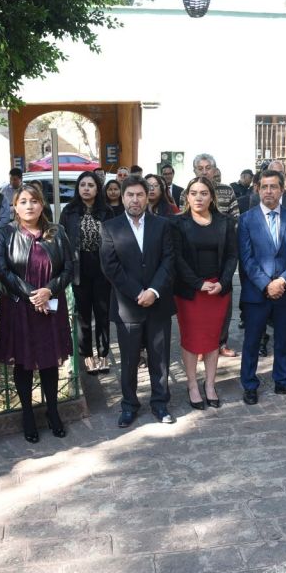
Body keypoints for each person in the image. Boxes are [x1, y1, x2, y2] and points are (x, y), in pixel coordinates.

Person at [0, 183, 75, 441]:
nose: (29, 206)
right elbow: (2, 271)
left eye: (34, 201)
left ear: (42, 205)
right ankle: (27, 415)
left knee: (50, 362)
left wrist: (49, 290)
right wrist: (32, 294)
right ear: (15, 207)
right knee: (23, 363)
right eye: (23, 201)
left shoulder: (57, 232)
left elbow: (69, 268)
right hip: (19, 307)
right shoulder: (5, 233)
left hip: (49, 306)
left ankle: (53, 411)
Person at [100, 175, 177, 427]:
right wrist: (137, 293)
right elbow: (110, 266)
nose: (135, 199)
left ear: (147, 197)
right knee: (129, 360)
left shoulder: (162, 225)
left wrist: (153, 290)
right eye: (130, 195)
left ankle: (160, 403)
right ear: (122, 198)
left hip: (158, 303)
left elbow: (169, 260)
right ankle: (129, 405)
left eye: (140, 195)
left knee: (160, 358)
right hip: (128, 306)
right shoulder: (110, 227)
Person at [238, 169, 286, 404]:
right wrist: (266, 284)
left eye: (274, 186)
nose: (268, 191)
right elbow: (246, 258)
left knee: (283, 339)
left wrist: (282, 281)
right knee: (252, 341)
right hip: (257, 292)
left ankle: (283, 380)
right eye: (264, 187)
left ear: (282, 190)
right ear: (258, 189)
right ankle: (249, 384)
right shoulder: (246, 219)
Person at [172, 176, 237, 409]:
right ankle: (192, 385)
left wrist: (223, 282)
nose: (198, 197)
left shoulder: (225, 222)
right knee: (190, 339)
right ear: (187, 197)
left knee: (212, 338)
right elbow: (177, 258)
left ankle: (210, 384)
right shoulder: (177, 223)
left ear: (212, 197)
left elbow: (232, 255)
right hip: (190, 292)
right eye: (194, 193)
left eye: (203, 193)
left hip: (217, 291)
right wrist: (197, 283)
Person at [59, 171, 116, 375]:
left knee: (102, 313)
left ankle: (103, 354)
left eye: (90, 185)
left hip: (101, 269)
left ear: (97, 189)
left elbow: (114, 241)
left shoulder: (107, 211)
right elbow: (62, 241)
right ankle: (87, 356)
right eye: (82, 185)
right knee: (83, 315)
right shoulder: (69, 211)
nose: (86, 189)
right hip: (79, 267)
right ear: (78, 188)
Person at [193, 154, 240, 357]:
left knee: (224, 301)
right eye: (200, 168)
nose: (204, 171)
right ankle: (202, 344)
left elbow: (236, 219)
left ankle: (221, 342)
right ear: (195, 170)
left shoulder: (226, 191)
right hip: (197, 254)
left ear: (214, 170)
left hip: (223, 252)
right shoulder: (189, 190)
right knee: (200, 305)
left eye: (208, 168)